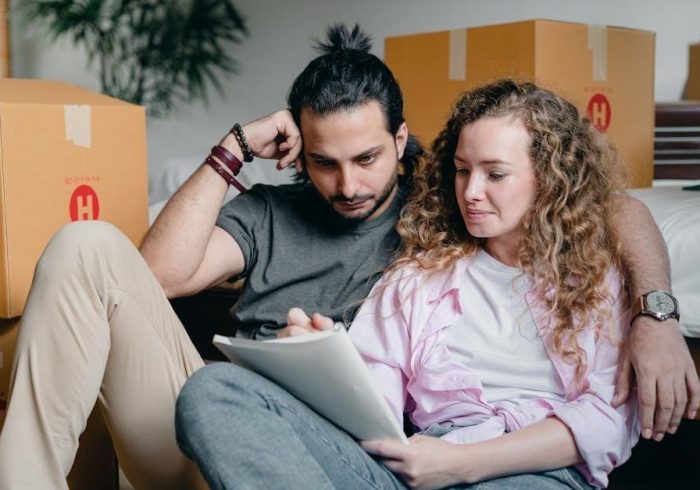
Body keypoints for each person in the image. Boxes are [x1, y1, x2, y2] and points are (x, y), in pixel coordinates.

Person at [0, 23, 695, 489]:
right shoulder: (278, 214)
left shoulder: (442, 207)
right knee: (88, 244)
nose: (350, 185)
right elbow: (154, 278)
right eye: (325, 162)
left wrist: (656, 313)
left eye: (366, 158)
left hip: (348, 453)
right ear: (299, 152)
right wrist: (236, 147)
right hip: (240, 429)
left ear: (401, 140)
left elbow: (611, 206)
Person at [175, 79, 641, 489]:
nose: (471, 192)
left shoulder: (598, 278)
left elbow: (608, 421)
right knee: (214, 389)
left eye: (495, 174)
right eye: (462, 170)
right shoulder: (419, 274)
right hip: (410, 467)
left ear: (552, 179)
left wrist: (461, 464)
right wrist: (321, 365)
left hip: (530, 472)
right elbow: (374, 404)